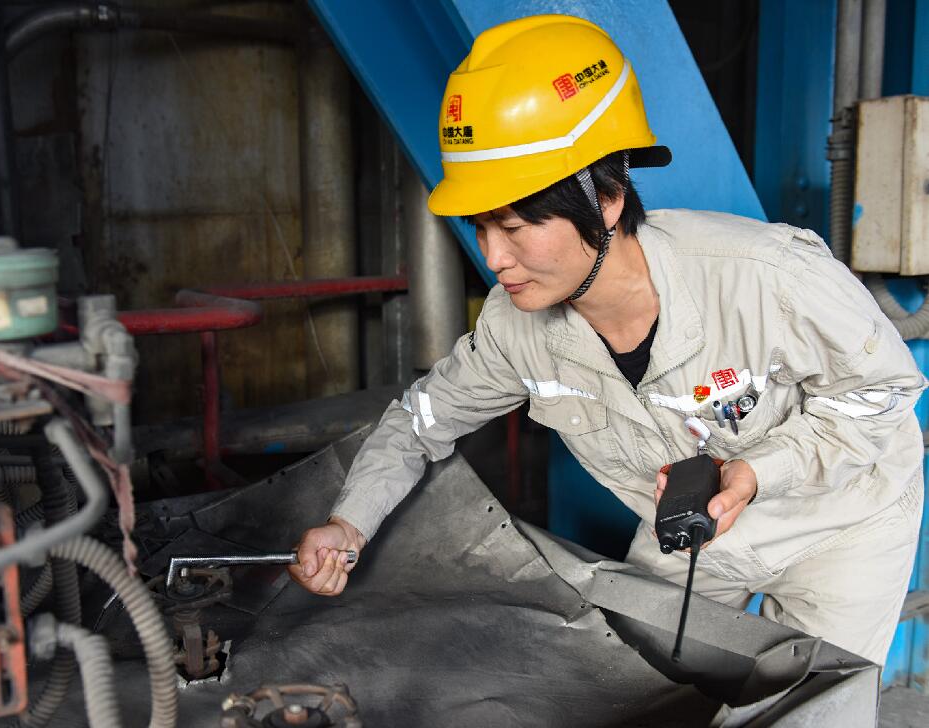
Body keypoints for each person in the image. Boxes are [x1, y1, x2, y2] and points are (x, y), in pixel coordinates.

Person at [288, 14, 925, 665]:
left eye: (514, 228)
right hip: (692, 539)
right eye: (481, 228)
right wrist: (348, 523)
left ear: (606, 199)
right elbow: (420, 421)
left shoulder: (768, 275)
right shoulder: (514, 329)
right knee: (641, 685)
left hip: (839, 526)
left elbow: (882, 391)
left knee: (818, 698)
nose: (494, 259)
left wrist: (761, 471)